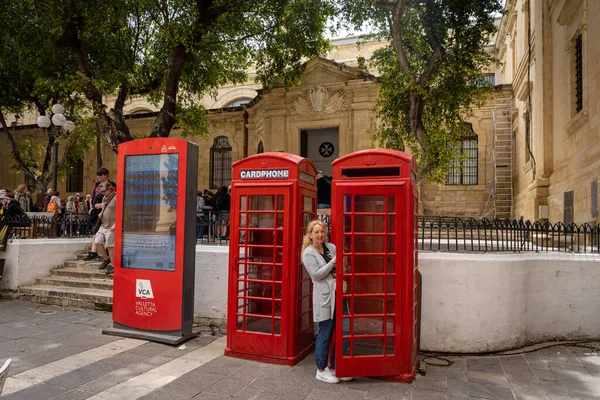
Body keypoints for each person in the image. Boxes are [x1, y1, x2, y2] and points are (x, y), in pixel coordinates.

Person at [301, 220, 353, 384]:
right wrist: (334, 261)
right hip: (324, 297)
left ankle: (338, 367)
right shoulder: (308, 253)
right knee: (326, 331)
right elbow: (316, 275)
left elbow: (340, 269)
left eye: (322, 231)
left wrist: (343, 268)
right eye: (316, 232)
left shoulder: (331, 247)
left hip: (339, 293)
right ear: (310, 235)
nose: (320, 235)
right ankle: (321, 369)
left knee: (341, 330)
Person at [84, 168, 116, 261]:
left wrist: (101, 206)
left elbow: (113, 197)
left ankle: (95, 252)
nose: (99, 177)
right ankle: (95, 252)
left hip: (107, 213)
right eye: (98, 175)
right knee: (96, 232)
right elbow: (92, 196)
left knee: (99, 233)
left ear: (106, 175)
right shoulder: (97, 185)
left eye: (101, 175)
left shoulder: (112, 185)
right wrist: (91, 207)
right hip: (97, 212)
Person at [94, 182, 116, 273]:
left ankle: (114, 266)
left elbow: (121, 211)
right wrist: (101, 213)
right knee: (97, 242)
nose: (102, 193)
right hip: (103, 225)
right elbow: (104, 208)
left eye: (103, 191)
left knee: (110, 246)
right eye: (101, 191)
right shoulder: (104, 198)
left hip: (112, 225)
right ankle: (106, 259)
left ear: (109, 189)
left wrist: (116, 223)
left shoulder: (116, 197)